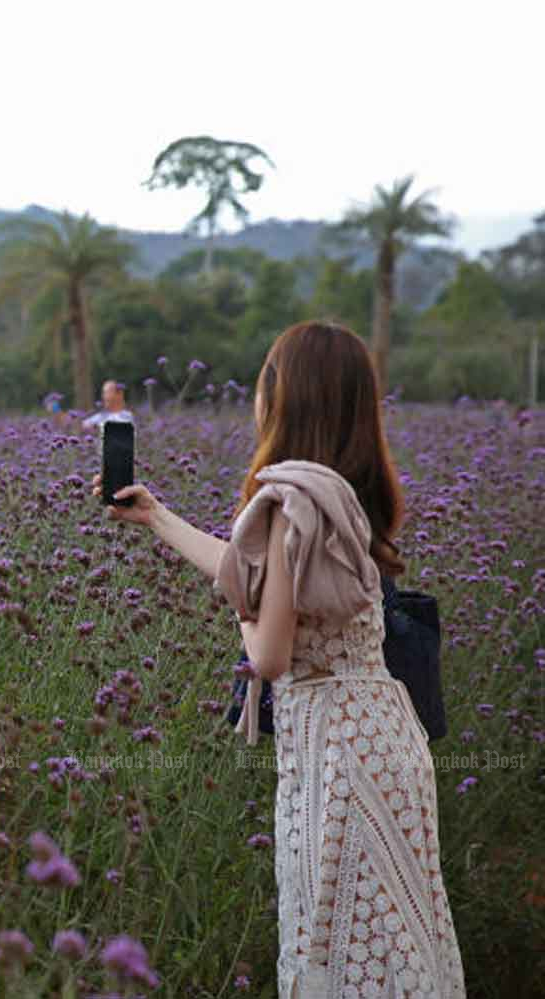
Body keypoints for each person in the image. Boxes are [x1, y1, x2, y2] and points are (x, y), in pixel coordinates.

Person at [96, 321, 465, 998]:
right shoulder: (339, 494)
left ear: (284, 398)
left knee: (335, 939)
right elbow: (268, 584)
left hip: (335, 753)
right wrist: (160, 519)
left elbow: (267, 651)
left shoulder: (287, 500)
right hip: (386, 734)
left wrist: (244, 596)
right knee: (396, 944)